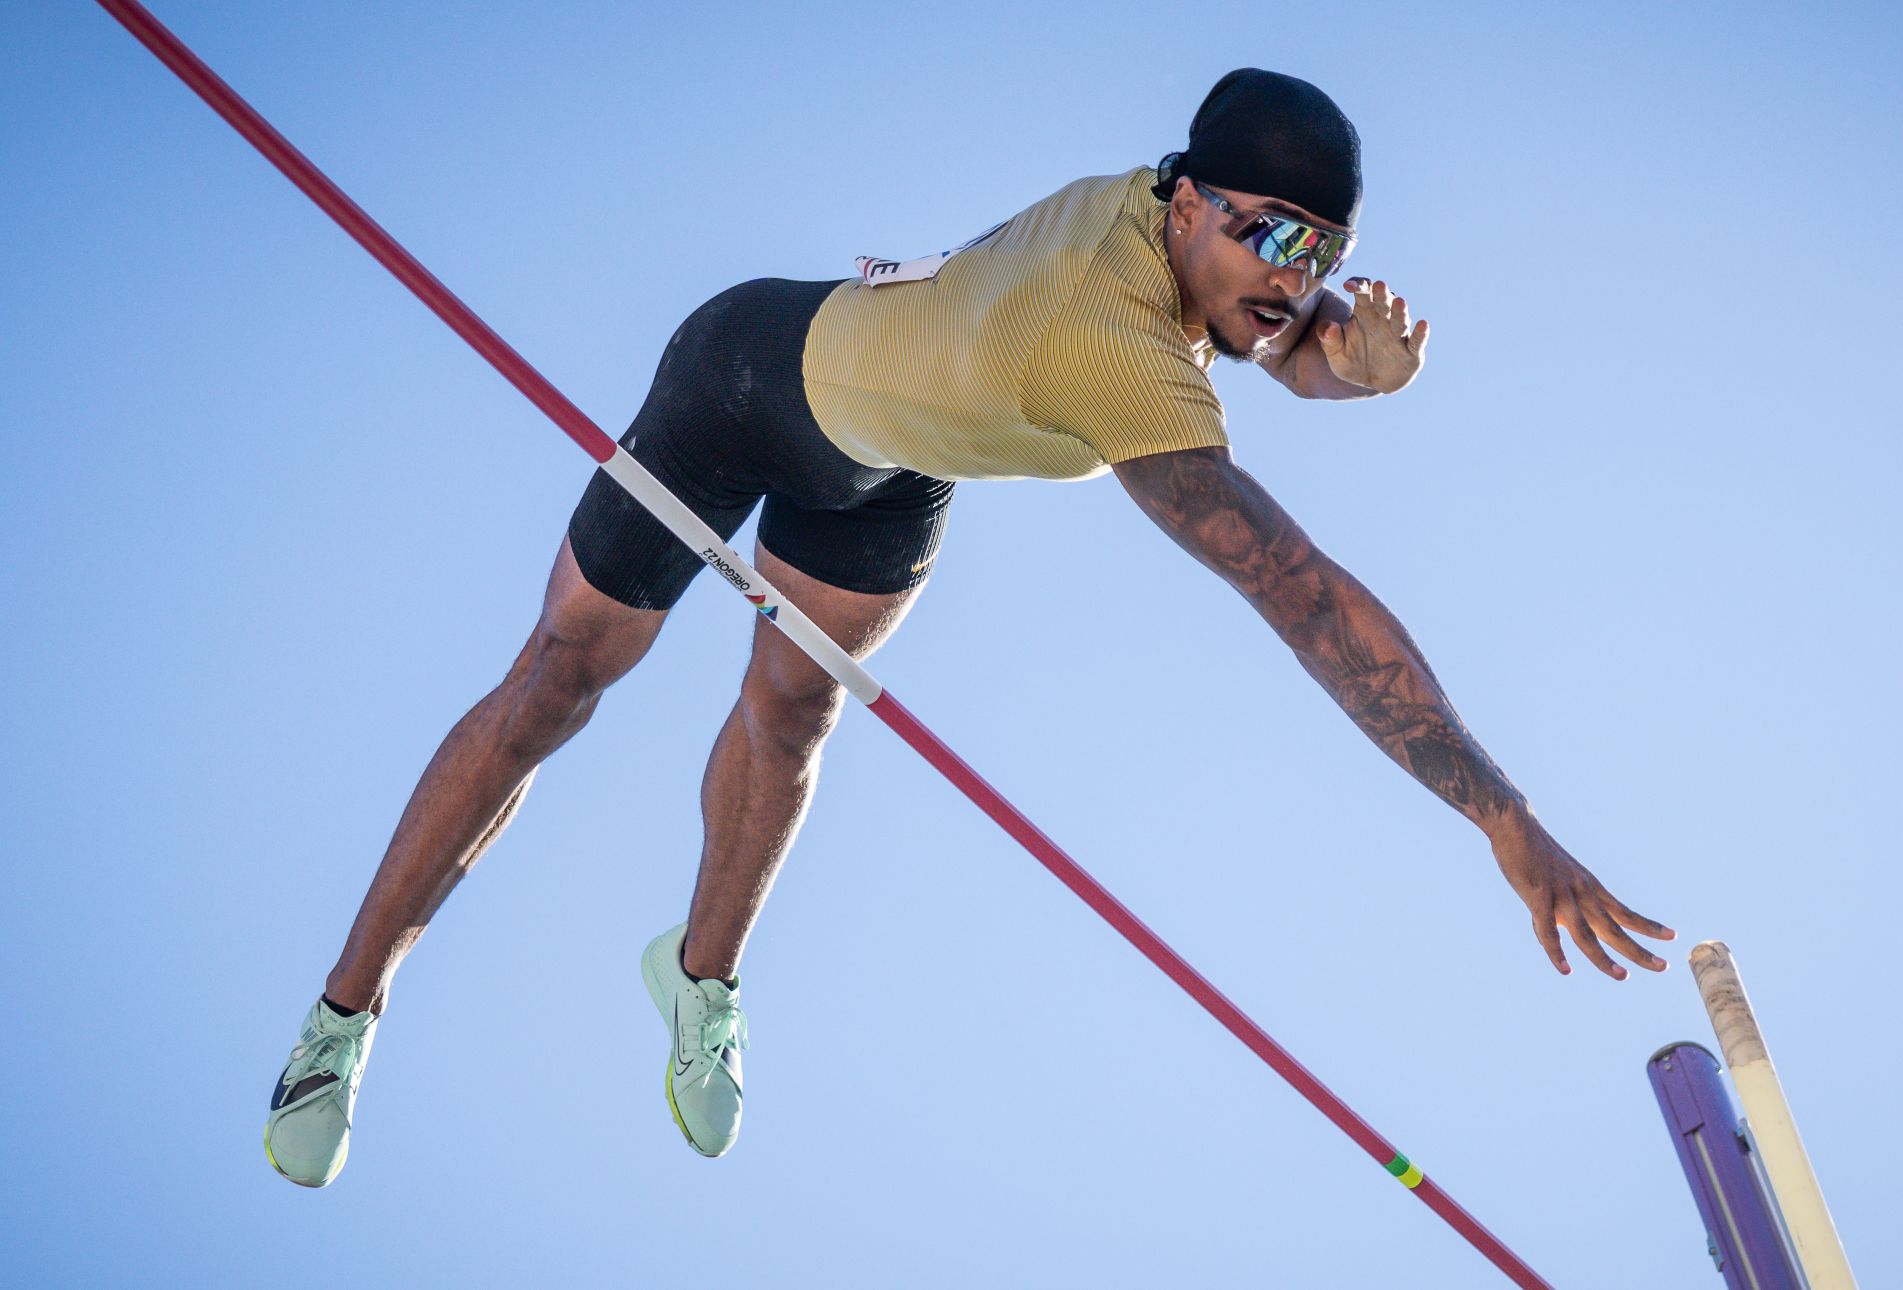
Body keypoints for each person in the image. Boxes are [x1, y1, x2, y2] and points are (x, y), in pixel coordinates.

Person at [264, 67, 1673, 1188]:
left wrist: (1327, 363)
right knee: (559, 685)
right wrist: (1501, 813)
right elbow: (1298, 593)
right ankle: (342, 1014)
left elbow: (1255, 319)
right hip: (748, 373)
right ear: (1183, 203)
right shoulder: (1107, 347)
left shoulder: (1167, 219)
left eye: (1319, 257)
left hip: (891, 462)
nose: (1289, 281)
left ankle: (699, 980)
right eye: (1269, 236)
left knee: (793, 712)